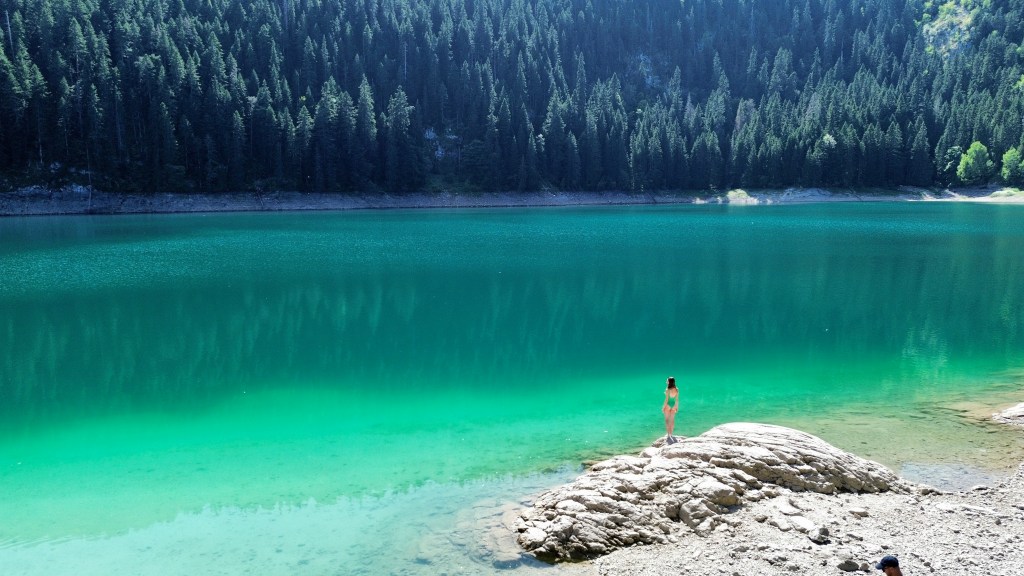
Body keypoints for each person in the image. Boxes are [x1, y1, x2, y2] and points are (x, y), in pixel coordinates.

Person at [662, 376, 679, 442]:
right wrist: (677, 406)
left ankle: (668, 435)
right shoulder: (677, 389)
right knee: (672, 420)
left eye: (667, 380)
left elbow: (666, 400)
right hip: (674, 404)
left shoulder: (667, 390)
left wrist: (663, 407)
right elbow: (677, 399)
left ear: (669, 382)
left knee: (667, 420)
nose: (666, 381)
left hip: (668, 405)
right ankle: (671, 434)